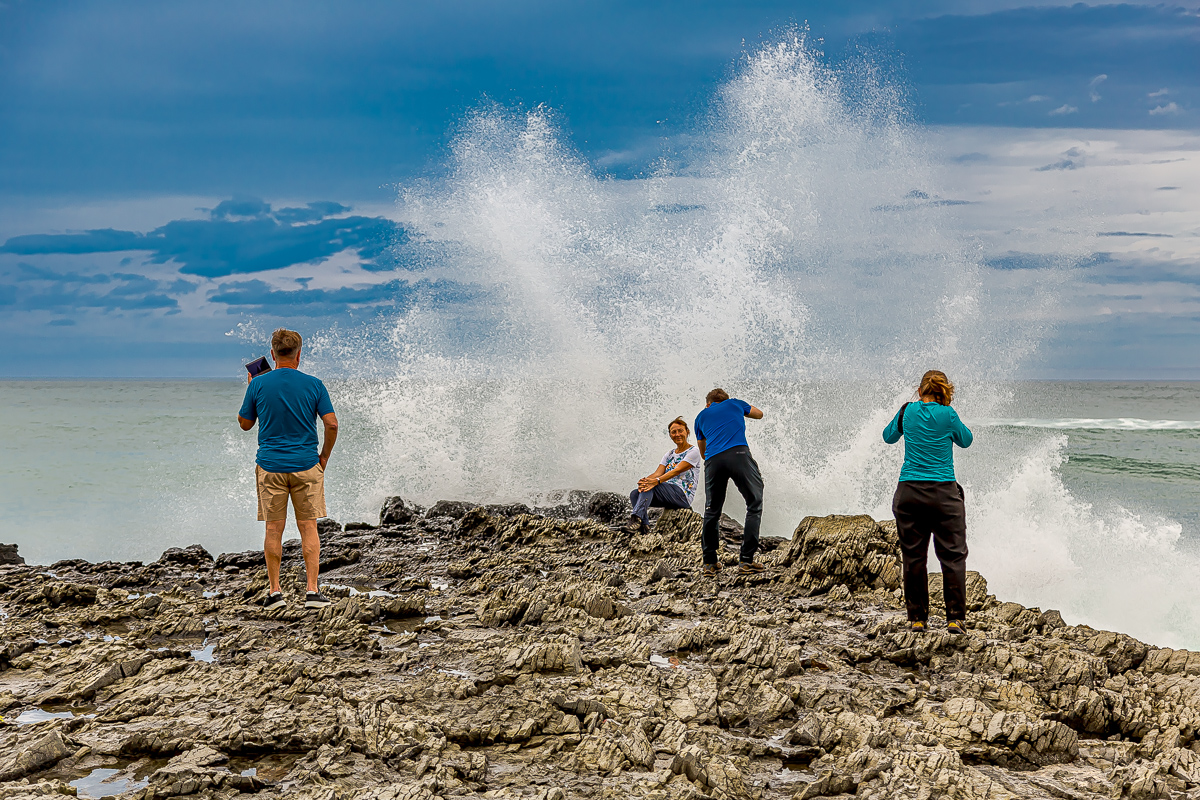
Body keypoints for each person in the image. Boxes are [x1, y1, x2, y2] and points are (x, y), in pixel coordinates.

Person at [237, 329, 339, 611]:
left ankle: (275, 593)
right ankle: (312, 592)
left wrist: (251, 387)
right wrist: (323, 459)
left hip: (270, 466)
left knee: (274, 529)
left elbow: (245, 424)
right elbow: (331, 424)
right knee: (308, 528)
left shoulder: (258, 384)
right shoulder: (315, 384)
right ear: (298, 354)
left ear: (272, 354)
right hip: (307, 465)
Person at [882, 370, 974, 635]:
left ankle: (918, 620)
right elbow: (966, 441)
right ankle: (955, 619)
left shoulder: (906, 411)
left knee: (914, 558)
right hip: (944, 495)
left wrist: (907, 419)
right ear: (944, 392)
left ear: (920, 390)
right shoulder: (949, 415)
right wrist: (946, 414)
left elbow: (888, 436)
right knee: (953, 557)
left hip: (909, 493)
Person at [694, 388, 765, 577]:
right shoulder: (734, 403)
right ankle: (746, 561)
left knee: (712, 511)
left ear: (708, 403)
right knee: (754, 503)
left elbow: (702, 452)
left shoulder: (701, 416)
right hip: (739, 454)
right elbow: (759, 414)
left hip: (713, 461)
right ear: (725, 400)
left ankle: (709, 563)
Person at [627, 417, 702, 534]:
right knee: (635, 493)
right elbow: (658, 473)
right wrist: (645, 481)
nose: (677, 434)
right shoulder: (669, 454)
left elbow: (676, 471)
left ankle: (635, 518)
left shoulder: (693, 452)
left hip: (682, 495)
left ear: (687, 432)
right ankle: (644, 527)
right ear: (670, 435)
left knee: (652, 486)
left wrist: (655, 482)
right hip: (667, 493)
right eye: (673, 432)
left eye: (680, 431)